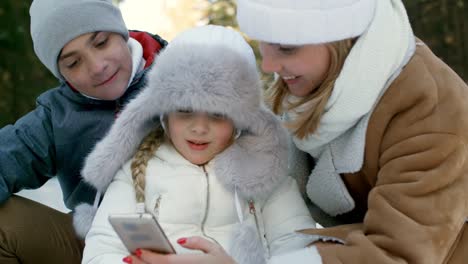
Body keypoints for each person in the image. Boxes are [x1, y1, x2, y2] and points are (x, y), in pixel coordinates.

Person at [126, 0, 468, 263]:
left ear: (339, 38)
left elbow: (401, 254)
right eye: (265, 44)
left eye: (286, 48)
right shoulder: (309, 81)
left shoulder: (431, 110)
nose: (270, 66)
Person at [76, 25, 317, 264]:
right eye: (185, 110)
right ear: (164, 114)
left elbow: (300, 249)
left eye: (218, 114)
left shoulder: (264, 175)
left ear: (240, 119)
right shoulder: (135, 171)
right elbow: (102, 249)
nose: (199, 128)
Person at [0, 0, 167, 263]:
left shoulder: (182, 75)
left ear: (120, 31)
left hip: (193, 239)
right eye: (73, 62)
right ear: (62, 74)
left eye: (101, 42)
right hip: (97, 243)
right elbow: (7, 156)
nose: (97, 66)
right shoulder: (58, 116)